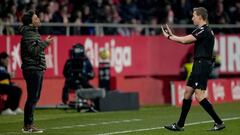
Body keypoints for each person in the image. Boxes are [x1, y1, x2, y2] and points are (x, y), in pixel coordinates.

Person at [161, 7, 225, 131]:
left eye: (194, 15)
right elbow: (186, 39)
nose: (192, 18)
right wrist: (173, 35)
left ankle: (219, 122)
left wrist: (170, 37)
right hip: (199, 63)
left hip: (202, 64)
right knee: (187, 93)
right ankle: (180, 125)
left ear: (200, 17)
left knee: (199, 96)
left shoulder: (204, 30)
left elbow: (185, 41)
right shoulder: (204, 30)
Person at [20, 10, 53, 133]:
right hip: (32, 68)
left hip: (36, 68)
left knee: (34, 98)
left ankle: (29, 124)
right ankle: (28, 126)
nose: (38, 19)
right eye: (35, 18)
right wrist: (46, 43)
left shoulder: (33, 33)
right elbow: (33, 51)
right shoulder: (29, 34)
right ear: (30, 23)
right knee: (32, 98)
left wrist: (44, 43)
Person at [62, 44, 95, 109]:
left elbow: (92, 73)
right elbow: (65, 73)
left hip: (83, 82)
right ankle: (65, 102)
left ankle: (93, 103)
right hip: (72, 82)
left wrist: (87, 76)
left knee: (93, 89)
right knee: (66, 87)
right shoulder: (69, 62)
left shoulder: (86, 61)